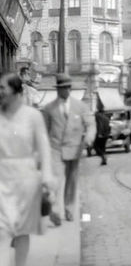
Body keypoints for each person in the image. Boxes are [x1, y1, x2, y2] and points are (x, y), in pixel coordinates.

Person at [0, 72, 56, 266]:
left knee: (22, 230)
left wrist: (47, 179)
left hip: (26, 178)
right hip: (1, 178)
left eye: (2, 88)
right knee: (2, 230)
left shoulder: (32, 116)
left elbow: (44, 148)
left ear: (16, 91)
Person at [42, 73, 95, 222]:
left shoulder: (81, 107)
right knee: (56, 179)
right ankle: (55, 210)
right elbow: (44, 131)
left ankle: (69, 208)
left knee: (71, 181)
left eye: (67, 87)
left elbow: (90, 124)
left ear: (70, 88)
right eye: (61, 88)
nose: (65, 90)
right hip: (55, 149)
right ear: (57, 89)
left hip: (74, 148)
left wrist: (89, 137)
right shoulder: (48, 108)